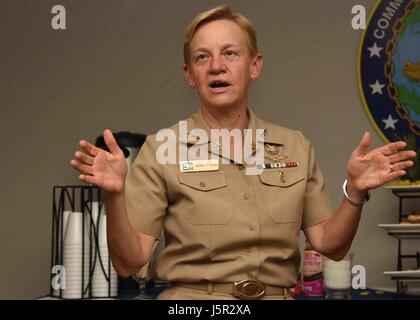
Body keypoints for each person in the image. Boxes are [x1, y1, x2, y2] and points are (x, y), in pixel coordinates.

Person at [70, 5, 417, 300]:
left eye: (230, 53)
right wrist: (114, 195)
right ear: (190, 75)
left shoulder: (294, 145)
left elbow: (331, 244)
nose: (216, 66)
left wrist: (355, 190)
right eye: (202, 57)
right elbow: (129, 263)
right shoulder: (163, 148)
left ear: (255, 65)